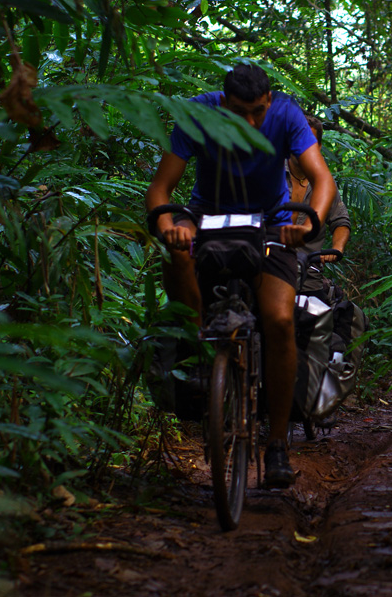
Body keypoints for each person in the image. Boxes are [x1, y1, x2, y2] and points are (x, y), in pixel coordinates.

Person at [145, 63, 337, 488]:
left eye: (257, 112)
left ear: (269, 100)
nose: (249, 122)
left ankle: (277, 445)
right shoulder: (198, 114)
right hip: (206, 216)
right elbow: (161, 188)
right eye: (238, 112)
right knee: (176, 253)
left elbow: (322, 179)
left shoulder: (286, 114)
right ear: (222, 101)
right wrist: (169, 227)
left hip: (269, 223)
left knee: (280, 320)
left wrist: (308, 226)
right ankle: (196, 349)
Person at [288, 114, 351, 300]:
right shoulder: (272, 173)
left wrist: (337, 248)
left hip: (308, 277)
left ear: (319, 147)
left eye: (309, 143)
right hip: (268, 271)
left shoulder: (324, 182)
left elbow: (340, 220)